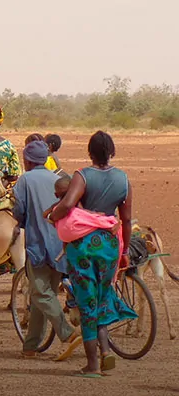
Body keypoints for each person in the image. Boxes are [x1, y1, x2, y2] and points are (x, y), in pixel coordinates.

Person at [48, 131, 137, 377]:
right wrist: (125, 251)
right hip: (110, 245)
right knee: (103, 296)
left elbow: (67, 204)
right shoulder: (123, 179)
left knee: (87, 301)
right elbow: (127, 220)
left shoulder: (82, 175)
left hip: (83, 245)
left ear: (89, 153)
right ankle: (106, 352)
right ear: (112, 152)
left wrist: (52, 217)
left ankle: (92, 364)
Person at [12, 140, 78, 358]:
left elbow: (19, 208)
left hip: (38, 244)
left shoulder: (25, 180)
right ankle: (30, 346)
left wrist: (21, 223)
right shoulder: (57, 178)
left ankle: (67, 332)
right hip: (60, 244)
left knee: (40, 294)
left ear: (28, 161)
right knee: (42, 293)